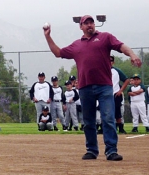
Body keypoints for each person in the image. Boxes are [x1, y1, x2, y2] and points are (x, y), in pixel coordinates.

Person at [44, 15, 142, 161]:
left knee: (108, 118)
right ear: (81, 27)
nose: (89, 25)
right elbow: (58, 53)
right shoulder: (77, 45)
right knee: (88, 121)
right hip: (85, 88)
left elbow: (121, 46)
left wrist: (132, 54)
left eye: (91, 22)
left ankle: (111, 151)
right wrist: (48, 36)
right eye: (86, 23)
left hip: (104, 87)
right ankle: (91, 150)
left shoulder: (105, 37)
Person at [110, 56, 130, 134]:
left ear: (113, 62)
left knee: (117, 112)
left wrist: (121, 90)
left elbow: (126, 80)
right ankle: (106, 128)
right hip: (105, 94)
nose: (109, 62)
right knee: (105, 112)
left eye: (111, 61)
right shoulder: (102, 70)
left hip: (115, 94)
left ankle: (121, 128)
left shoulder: (116, 71)